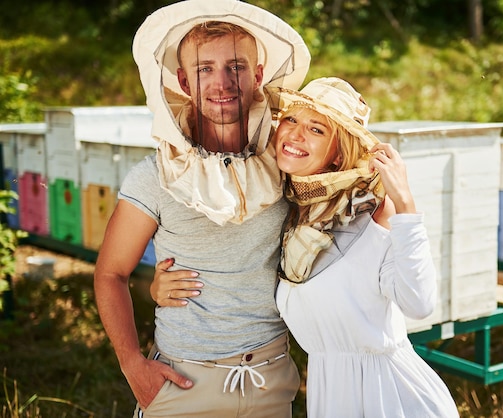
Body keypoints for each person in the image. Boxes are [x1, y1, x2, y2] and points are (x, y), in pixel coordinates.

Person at [152, 77, 459, 417]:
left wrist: (406, 204)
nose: (296, 135)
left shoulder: (370, 210)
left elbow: (419, 303)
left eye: (317, 129)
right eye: (292, 120)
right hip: (329, 395)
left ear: (338, 150)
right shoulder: (289, 209)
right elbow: (240, 269)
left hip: (390, 397)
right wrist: (161, 285)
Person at [93, 0, 310, 416]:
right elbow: (110, 273)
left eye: (236, 67)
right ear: (183, 81)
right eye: (204, 69)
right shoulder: (155, 174)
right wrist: (132, 365)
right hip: (184, 384)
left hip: (271, 380)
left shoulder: (286, 163)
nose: (222, 82)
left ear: (258, 76)